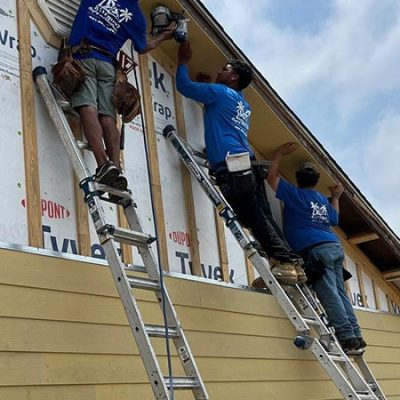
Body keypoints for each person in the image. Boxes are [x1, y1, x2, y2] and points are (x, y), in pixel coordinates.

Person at [175, 42, 306, 286]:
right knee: (262, 215)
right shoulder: (241, 103)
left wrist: (183, 60)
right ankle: (292, 263)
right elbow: (219, 115)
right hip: (248, 164)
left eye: (225, 69)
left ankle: (283, 262)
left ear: (234, 77)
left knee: (251, 215)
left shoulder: (220, 93)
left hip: (233, 164)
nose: (220, 71)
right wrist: (210, 87)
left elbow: (184, 86)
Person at [267, 142, 367, 352]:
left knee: (330, 294)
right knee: (339, 293)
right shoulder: (321, 199)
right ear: (316, 181)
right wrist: (336, 197)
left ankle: (347, 338)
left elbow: (272, 178)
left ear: (298, 179)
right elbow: (334, 219)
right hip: (333, 247)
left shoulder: (296, 195)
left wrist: (279, 154)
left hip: (316, 250)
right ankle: (356, 335)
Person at [68, 0, 172, 189]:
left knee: (88, 106)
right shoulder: (137, 15)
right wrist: (162, 37)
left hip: (84, 55)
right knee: (107, 116)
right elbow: (142, 46)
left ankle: (103, 165)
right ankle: (115, 168)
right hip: (107, 63)